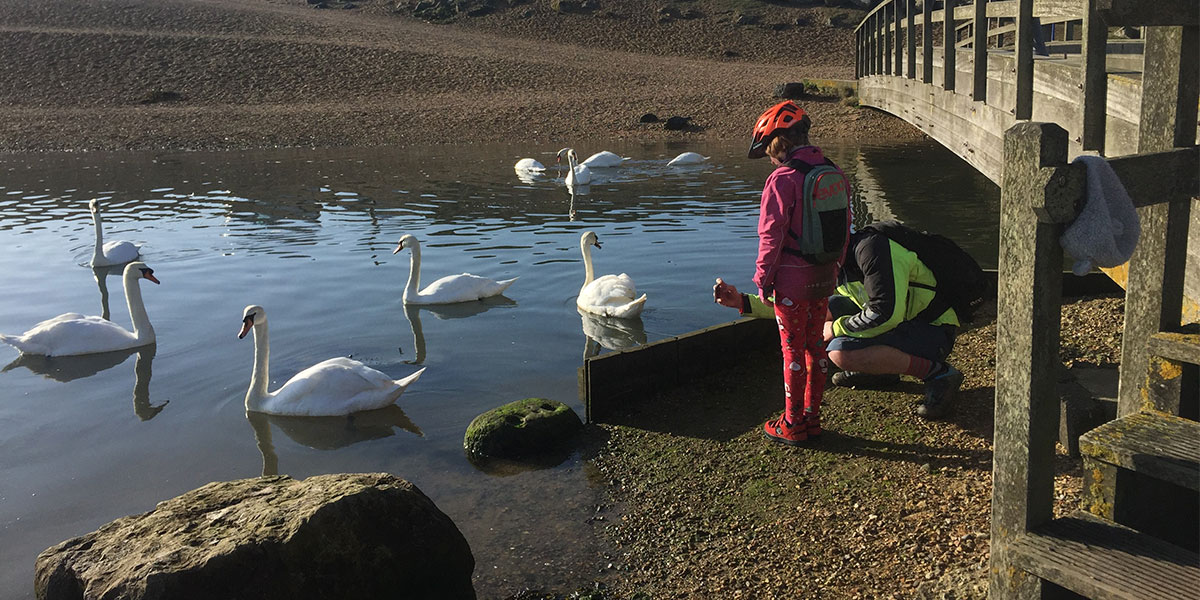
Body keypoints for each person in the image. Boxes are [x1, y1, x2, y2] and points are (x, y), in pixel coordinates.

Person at [715, 223, 965, 420]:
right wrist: (742, 302)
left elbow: (886, 314)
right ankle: (883, 372)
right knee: (822, 310)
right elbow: (799, 308)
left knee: (841, 352)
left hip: (934, 330)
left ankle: (941, 374)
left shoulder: (873, 251)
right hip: (903, 325)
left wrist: (835, 328)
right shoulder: (834, 263)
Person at [734, 100, 852, 446]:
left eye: (768, 151)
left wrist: (762, 279)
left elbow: (770, 235)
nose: (769, 160)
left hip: (790, 282)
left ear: (779, 144)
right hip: (824, 278)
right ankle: (812, 420)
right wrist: (836, 267)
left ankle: (791, 423)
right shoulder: (834, 172)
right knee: (815, 347)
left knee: (792, 352)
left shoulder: (781, 179)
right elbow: (845, 226)